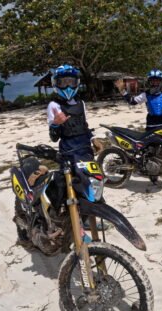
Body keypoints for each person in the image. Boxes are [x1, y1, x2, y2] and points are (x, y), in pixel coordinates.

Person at [46, 64, 105, 230]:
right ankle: (78, 217)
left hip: (84, 148)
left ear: (76, 82)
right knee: (74, 183)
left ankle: (93, 212)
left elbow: (84, 125)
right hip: (68, 149)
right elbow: (53, 137)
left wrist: (93, 139)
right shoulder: (53, 106)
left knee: (94, 179)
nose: (67, 86)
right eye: (63, 82)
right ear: (56, 84)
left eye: (70, 82)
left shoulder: (81, 103)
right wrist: (56, 125)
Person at [114, 69, 162, 180]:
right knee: (150, 150)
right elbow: (132, 101)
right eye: (153, 81)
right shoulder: (145, 94)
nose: (155, 83)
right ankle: (152, 171)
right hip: (151, 125)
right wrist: (122, 91)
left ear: (161, 82)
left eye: (157, 81)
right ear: (150, 82)